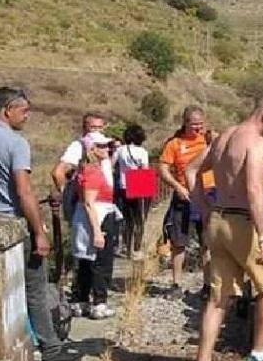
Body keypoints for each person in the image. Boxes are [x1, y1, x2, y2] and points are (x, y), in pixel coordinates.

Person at [185, 93, 263, 361]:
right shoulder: (256, 143)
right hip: (243, 222)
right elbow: (255, 190)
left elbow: (191, 169)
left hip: (218, 219)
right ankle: (259, 354)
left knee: (218, 298)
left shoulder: (224, 137)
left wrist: (204, 208)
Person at [0, 87, 79, 361]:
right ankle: (51, 348)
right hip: (15, 223)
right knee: (34, 289)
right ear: (8, 110)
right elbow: (24, 191)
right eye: (24, 111)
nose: (27, 116)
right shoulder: (16, 143)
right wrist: (39, 231)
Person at [158, 105, 211, 299]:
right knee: (179, 242)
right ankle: (176, 284)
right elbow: (163, 168)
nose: (198, 128)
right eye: (195, 125)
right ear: (185, 123)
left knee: (207, 242)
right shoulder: (175, 144)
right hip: (183, 197)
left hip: (206, 197)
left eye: (201, 124)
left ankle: (208, 285)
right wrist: (176, 186)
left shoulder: (208, 141)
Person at [70, 132, 121, 319]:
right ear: (92, 149)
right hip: (98, 216)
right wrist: (98, 232)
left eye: (107, 145)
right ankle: (99, 302)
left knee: (86, 260)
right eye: (101, 146)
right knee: (101, 261)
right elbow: (89, 202)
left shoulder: (86, 169)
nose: (107, 149)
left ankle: (81, 299)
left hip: (90, 216)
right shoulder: (92, 171)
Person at [50, 111, 107, 211]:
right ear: (84, 128)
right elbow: (58, 172)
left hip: (106, 200)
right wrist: (68, 196)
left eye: (100, 127)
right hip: (89, 202)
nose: (97, 131)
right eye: (93, 128)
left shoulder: (106, 144)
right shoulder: (79, 146)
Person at [113, 124, 151, 258]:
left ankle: (127, 247)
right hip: (138, 182)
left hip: (123, 184)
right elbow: (145, 169)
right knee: (139, 218)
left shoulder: (120, 150)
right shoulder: (142, 152)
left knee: (127, 218)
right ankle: (137, 248)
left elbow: (112, 164)